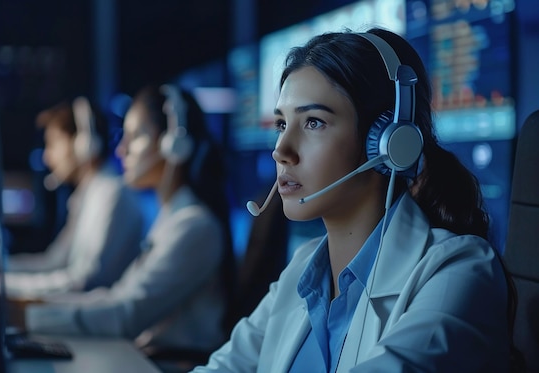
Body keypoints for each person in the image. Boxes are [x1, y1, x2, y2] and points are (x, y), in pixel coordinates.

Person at [192, 28, 517, 372]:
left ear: (389, 143)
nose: (281, 150)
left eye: (313, 122)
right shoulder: (302, 271)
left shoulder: (458, 269)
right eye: (281, 123)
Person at [20, 84, 235, 371]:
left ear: (174, 142)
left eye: (135, 136)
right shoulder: (171, 219)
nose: (121, 149)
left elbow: (127, 315)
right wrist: (33, 307)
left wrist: (26, 316)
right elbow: (117, 298)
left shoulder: (195, 227)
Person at [4, 97, 144, 298]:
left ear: (83, 144)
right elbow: (55, 262)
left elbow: (88, 279)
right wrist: (3, 270)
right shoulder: (88, 194)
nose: (47, 156)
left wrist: (6, 285)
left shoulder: (112, 194)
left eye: (52, 144)